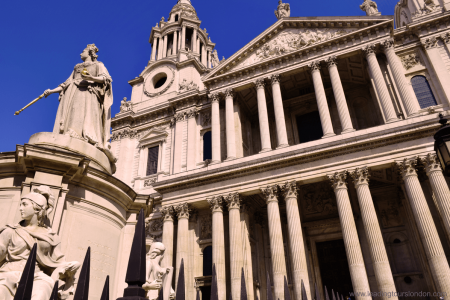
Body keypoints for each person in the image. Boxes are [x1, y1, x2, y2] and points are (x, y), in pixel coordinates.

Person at [0, 186, 80, 300]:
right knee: (1, 288)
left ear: (37, 208)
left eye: (24, 204)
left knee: (44, 288)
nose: (20, 208)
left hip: (36, 276)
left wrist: (70, 266)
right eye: (20, 204)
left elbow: (58, 262)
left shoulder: (51, 237)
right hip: (10, 272)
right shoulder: (10, 230)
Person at [43, 44, 113, 151]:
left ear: (90, 52)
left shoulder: (98, 65)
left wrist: (91, 78)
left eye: (83, 51)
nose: (81, 53)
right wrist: (51, 91)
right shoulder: (77, 67)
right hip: (73, 93)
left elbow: (106, 79)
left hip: (88, 94)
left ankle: (80, 135)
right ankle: (71, 132)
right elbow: (66, 83)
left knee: (82, 113)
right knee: (73, 112)